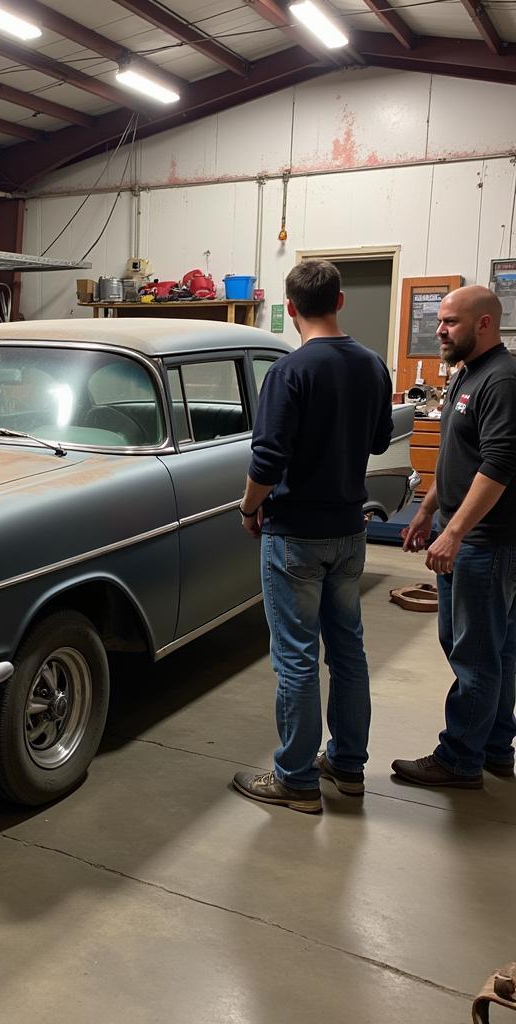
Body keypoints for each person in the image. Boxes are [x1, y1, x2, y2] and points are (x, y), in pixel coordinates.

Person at [232, 259, 394, 813]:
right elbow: (378, 442)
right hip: (350, 531)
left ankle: (296, 780)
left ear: (292, 308)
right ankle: (348, 766)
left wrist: (249, 507)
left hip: (295, 533)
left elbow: (268, 458)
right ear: (341, 301)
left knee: (296, 657)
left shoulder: (289, 371)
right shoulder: (373, 366)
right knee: (348, 649)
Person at [392, 286, 516, 788]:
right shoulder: (470, 372)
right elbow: (457, 460)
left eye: (450, 322)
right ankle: (492, 745)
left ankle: (460, 758)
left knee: (473, 650)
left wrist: (456, 532)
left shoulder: (502, 380)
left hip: (485, 541)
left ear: (484, 324)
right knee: (498, 648)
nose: (439, 330)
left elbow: (500, 463)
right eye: (440, 321)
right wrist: (427, 511)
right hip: (471, 533)